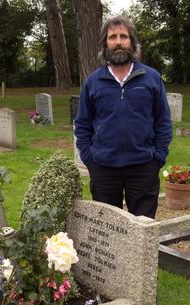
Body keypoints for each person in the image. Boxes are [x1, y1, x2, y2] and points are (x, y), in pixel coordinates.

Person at [74, 16, 172, 219]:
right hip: (103, 168)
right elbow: (83, 124)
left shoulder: (151, 78)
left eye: (123, 36)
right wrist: (90, 159)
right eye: (112, 37)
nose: (118, 42)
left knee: (142, 231)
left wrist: (158, 157)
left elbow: (162, 121)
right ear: (105, 43)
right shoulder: (93, 82)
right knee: (107, 232)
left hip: (143, 166)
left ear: (132, 42)